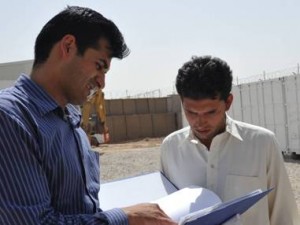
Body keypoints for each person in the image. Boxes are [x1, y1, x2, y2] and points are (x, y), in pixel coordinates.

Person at [0, 6, 176, 225]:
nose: (102, 83)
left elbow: (83, 209)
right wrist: (125, 217)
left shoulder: (71, 121)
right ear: (68, 46)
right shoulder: (10, 118)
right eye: (99, 66)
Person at [160, 55, 300, 225]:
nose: (200, 122)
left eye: (210, 112)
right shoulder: (171, 148)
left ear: (228, 102)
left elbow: (282, 212)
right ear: (182, 103)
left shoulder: (262, 143)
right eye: (191, 112)